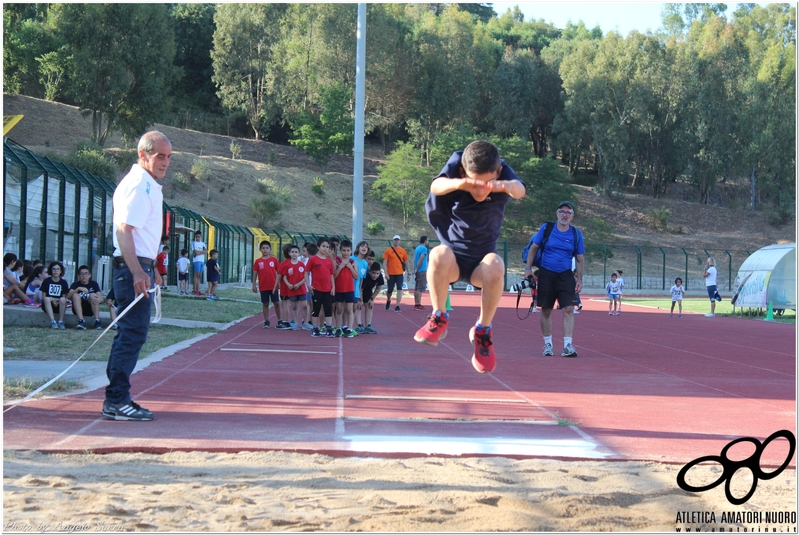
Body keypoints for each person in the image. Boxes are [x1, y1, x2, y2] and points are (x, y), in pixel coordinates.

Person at [414, 140, 526, 374]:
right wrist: (463, 184)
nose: (480, 190)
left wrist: (497, 186)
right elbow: (436, 186)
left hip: (480, 266)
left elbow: (519, 190)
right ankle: (439, 317)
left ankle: (482, 330)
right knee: (438, 253)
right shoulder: (457, 165)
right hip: (453, 261)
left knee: (496, 263)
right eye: (475, 182)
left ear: (497, 173)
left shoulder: (502, 172)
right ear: (464, 172)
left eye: (486, 182)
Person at [103, 130, 171, 421]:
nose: (166, 162)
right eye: (160, 156)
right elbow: (123, 230)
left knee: (134, 333)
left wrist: (150, 268)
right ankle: (117, 400)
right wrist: (136, 271)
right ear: (143, 155)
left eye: (169, 157)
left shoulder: (149, 185)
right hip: (130, 267)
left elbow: (140, 235)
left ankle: (118, 398)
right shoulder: (139, 184)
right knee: (131, 334)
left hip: (139, 264)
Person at [524, 200, 585, 358]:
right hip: (546, 274)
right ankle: (548, 344)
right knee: (546, 310)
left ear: (572, 216)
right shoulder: (547, 228)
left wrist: (580, 279)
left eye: (568, 212)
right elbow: (534, 248)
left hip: (565, 275)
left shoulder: (576, 234)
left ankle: (567, 346)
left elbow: (579, 258)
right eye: (562, 211)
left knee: (569, 309)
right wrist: (528, 269)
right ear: (557, 213)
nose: (565, 215)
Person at [304, 239, 335, 338]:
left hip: (327, 289)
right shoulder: (313, 259)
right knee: (316, 309)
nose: (325, 248)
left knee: (328, 309)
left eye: (327, 247)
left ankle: (329, 328)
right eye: (323, 246)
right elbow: (306, 272)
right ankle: (315, 328)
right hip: (316, 289)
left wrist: (333, 287)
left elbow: (331, 275)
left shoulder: (329, 261)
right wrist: (308, 285)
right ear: (318, 247)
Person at [277, 244, 308, 330]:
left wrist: (299, 284)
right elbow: (285, 277)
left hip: (301, 288)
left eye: (296, 252)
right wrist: (289, 285)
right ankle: (295, 323)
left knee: (304, 305)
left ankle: (305, 322)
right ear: (289, 254)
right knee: (294, 306)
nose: (294, 254)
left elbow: (305, 277)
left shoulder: (302, 265)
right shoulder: (287, 265)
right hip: (292, 289)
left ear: (299, 253)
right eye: (292, 252)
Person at [333, 239, 358, 337]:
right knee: (339, 309)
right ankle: (338, 327)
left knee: (349, 309)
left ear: (351, 251)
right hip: (339, 289)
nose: (346, 252)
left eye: (348, 250)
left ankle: (349, 328)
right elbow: (334, 275)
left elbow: (356, 276)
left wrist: (350, 267)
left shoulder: (353, 262)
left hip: (349, 289)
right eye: (344, 250)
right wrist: (341, 267)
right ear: (340, 250)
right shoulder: (337, 261)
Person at [252, 240, 280, 328]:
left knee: (276, 303)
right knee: (265, 303)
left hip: (273, 286)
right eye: (263, 248)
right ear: (260, 249)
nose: (265, 250)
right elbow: (255, 273)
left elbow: (279, 273)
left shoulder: (274, 260)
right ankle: (266, 321)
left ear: (270, 249)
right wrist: (254, 285)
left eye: (267, 248)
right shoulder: (258, 261)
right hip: (263, 286)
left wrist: (279, 284)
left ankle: (279, 320)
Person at [68, 265, 104, 330]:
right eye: (81, 274)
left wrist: (95, 299)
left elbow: (101, 298)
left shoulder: (94, 284)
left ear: (90, 275)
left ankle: (97, 321)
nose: (84, 276)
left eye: (86, 274)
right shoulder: (75, 284)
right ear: (78, 276)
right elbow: (68, 296)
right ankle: (81, 321)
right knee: (75, 295)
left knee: (93, 295)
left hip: (90, 309)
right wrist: (77, 289)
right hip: (77, 309)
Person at [383, 235, 410, 312]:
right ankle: (388, 299)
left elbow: (406, 262)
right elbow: (384, 262)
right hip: (390, 273)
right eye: (395, 240)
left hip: (399, 273)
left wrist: (408, 273)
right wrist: (386, 273)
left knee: (399, 288)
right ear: (393, 240)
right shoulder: (388, 250)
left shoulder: (403, 251)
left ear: (400, 241)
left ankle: (397, 305)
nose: (396, 241)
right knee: (390, 290)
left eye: (398, 240)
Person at [41, 261, 69, 329]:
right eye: (54, 269)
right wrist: (52, 301)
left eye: (58, 269)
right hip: (48, 304)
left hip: (59, 304)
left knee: (62, 299)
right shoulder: (46, 281)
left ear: (61, 271)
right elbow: (43, 296)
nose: (56, 271)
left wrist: (55, 300)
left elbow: (64, 296)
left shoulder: (64, 282)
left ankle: (60, 321)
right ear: (51, 270)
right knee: (47, 299)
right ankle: (53, 321)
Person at [360, 262, 384, 334]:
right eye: (373, 273)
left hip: (369, 291)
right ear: (369, 271)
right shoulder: (365, 276)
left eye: (377, 273)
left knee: (369, 306)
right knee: (358, 306)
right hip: (359, 290)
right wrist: (360, 300)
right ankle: (359, 325)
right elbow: (360, 289)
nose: (375, 275)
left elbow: (378, 288)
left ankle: (368, 325)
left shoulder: (380, 276)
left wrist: (372, 298)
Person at [353, 241, 370, 333]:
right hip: (347, 288)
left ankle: (357, 325)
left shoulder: (365, 263)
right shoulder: (352, 259)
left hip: (356, 290)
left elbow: (361, 280)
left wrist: (360, 295)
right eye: (362, 246)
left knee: (355, 307)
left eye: (366, 247)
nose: (364, 248)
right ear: (358, 248)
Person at [413, 236, 429, 311]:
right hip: (421, 270)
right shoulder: (424, 249)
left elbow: (414, 259)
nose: (428, 242)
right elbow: (421, 259)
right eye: (427, 240)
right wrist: (418, 268)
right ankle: (418, 304)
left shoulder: (417, 248)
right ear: (425, 241)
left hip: (417, 270)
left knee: (417, 287)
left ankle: (416, 303)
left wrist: (415, 268)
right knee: (420, 288)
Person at [191, 231, 208, 296]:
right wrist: (202, 252)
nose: (197, 238)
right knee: (196, 275)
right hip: (196, 260)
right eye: (196, 237)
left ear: (201, 236)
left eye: (198, 236)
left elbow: (206, 251)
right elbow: (196, 252)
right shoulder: (194, 243)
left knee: (199, 276)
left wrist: (200, 252)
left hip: (201, 260)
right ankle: (194, 290)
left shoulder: (203, 243)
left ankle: (198, 290)